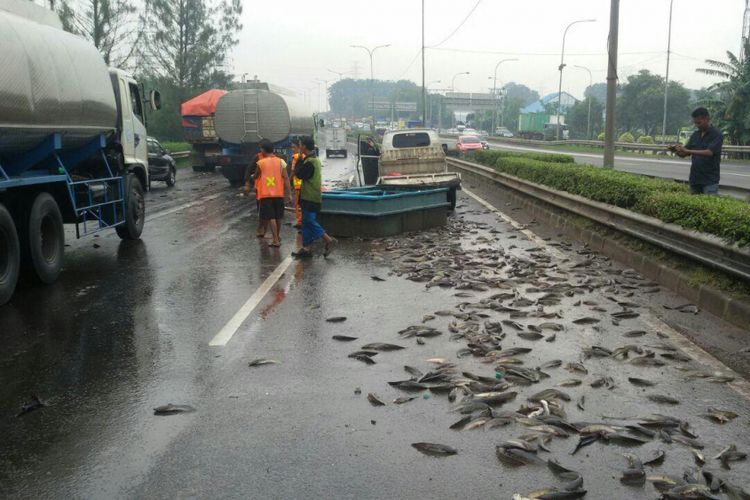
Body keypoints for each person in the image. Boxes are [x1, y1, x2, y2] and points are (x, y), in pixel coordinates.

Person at [292, 136, 335, 258]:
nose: (299, 147)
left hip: (311, 197)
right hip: (308, 196)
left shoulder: (310, 162)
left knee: (309, 221)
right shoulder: (311, 159)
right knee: (305, 223)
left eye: (300, 145)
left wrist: (299, 158)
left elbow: (299, 174)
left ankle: (328, 240)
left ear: (304, 146)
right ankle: (306, 248)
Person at [668, 107, 723, 195]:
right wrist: (675, 150)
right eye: (695, 123)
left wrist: (687, 150)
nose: (697, 125)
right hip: (695, 179)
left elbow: (709, 152)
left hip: (710, 180)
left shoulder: (716, 134)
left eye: (699, 122)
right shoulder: (695, 135)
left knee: (709, 207)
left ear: (707, 119)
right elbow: (684, 154)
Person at [253, 139, 293, 247]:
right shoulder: (281, 162)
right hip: (278, 194)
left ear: (263, 150)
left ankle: (275, 240)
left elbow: (256, 175)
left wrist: (253, 177)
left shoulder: (260, 163)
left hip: (266, 195)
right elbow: (286, 178)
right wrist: (289, 193)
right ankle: (278, 236)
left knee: (271, 217)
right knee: (278, 217)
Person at [289, 140, 304, 229]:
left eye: (294, 147)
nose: (292, 149)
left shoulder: (295, 157)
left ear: (299, 147)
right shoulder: (304, 156)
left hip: (298, 184)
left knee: (298, 204)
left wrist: (288, 180)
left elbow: (293, 171)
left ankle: (299, 221)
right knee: (302, 203)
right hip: (304, 184)